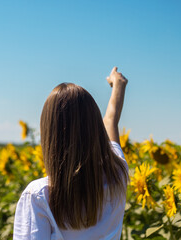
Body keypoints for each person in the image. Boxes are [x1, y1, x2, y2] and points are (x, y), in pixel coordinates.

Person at [13, 67, 129, 239]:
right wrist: (118, 84)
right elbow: (111, 121)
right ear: (95, 128)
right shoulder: (118, 174)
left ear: (50, 137)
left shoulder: (40, 196)